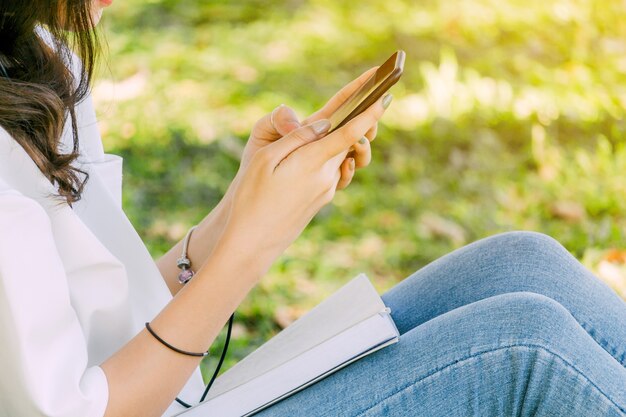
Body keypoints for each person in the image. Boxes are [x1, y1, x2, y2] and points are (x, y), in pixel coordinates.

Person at [0, 1, 624, 416]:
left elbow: (101, 315)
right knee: (530, 351)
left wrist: (234, 216)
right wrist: (255, 247)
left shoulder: (34, 64)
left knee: (523, 264)